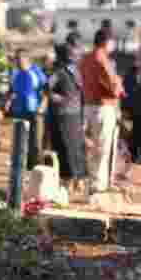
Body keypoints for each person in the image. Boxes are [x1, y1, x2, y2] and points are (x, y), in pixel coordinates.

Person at [80, 24, 125, 193]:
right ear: (107, 42)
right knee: (103, 148)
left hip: (88, 106)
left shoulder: (85, 59)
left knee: (92, 148)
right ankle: (99, 185)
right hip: (103, 107)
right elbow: (114, 88)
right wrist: (119, 83)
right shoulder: (102, 59)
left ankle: (94, 182)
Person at [48, 43, 87, 193]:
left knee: (66, 148)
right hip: (75, 114)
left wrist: (55, 97)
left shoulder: (58, 72)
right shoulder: (75, 70)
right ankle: (78, 180)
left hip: (65, 116)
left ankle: (70, 181)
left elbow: (47, 88)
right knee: (75, 148)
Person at [6, 49, 45, 171]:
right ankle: (21, 167)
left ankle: (36, 168)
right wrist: (7, 101)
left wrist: (42, 106)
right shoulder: (15, 72)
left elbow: (46, 91)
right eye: (15, 59)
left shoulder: (36, 72)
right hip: (19, 111)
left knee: (35, 143)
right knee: (20, 141)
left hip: (35, 112)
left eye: (18, 59)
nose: (16, 62)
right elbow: (12, 89)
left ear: (25, 59)